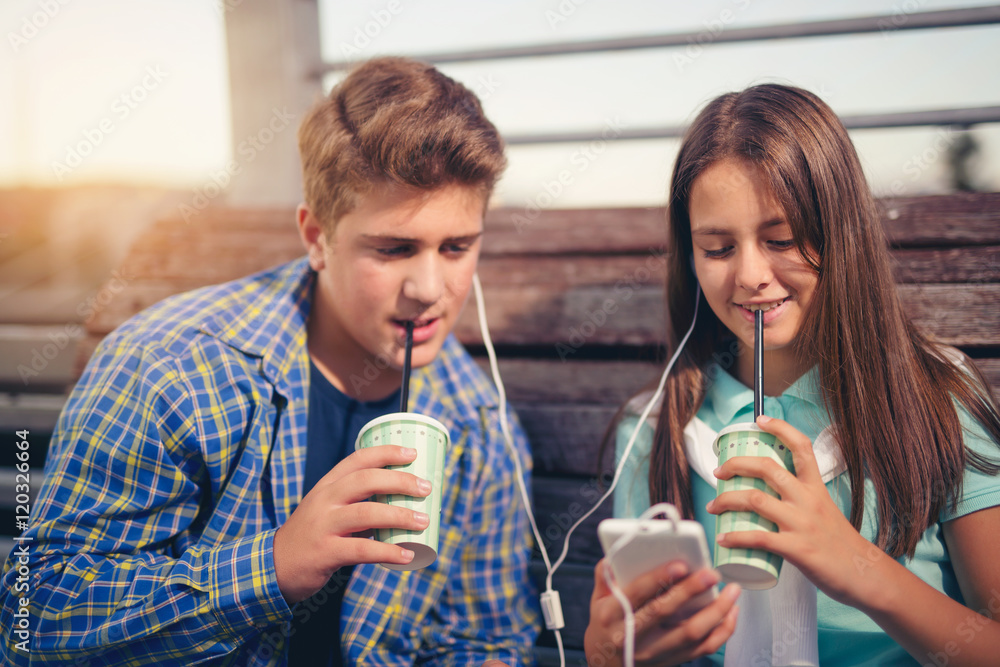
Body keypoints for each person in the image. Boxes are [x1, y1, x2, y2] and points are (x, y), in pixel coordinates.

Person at [0, 57, 540, 666]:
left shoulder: (480, 425)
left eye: (457, 247)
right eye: (393, 249)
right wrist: (275, 566)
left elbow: (484, 637)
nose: (429, 287)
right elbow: (35, 621)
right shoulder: (170, 369)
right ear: (316, 238)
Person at [585, 83, 1000, 666]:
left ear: (843, 234)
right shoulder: (657, 430)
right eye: (719, 248)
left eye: (781, 239)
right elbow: (645, 639)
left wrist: (858, 570)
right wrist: (610, 655)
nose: (752, 274)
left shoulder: (936, 402)